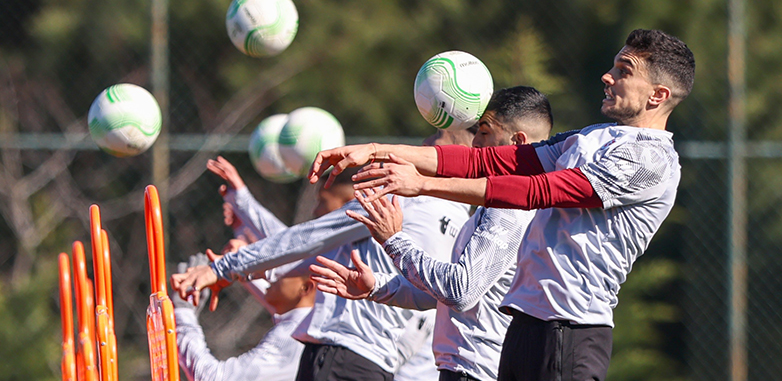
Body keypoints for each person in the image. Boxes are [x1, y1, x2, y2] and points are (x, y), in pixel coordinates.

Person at [308, 29, 696, 380]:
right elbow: (487, 162)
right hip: (526, 327)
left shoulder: (650, 160)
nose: (607, 76)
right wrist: (376, 150)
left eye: (624, 70)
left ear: (658, 95)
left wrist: (421, 185)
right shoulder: (592, 137)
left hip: (571, 333)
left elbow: (535, 191)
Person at [171, 129, 474, 381]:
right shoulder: (465, 227)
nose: (424, 142)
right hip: (376, 369)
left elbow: (306, 239)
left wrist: (224, 268)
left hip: (340, 358)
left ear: (460, 152)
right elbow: (303, 251)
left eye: (438, 135)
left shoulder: (399, 198)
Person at [310, 87, 553, 381]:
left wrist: (394, 241)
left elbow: (460, 291)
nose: (474, 143)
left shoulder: (512, 209)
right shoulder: (501, 205)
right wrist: (377, 286)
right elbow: (439, 297)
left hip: (476, 373)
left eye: (484, 133)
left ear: (519, 142)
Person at [208, 156, 438, 381]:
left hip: (348, 361)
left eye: (322, 200)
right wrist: (242, 227)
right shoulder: (404, 246)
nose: (316, 211)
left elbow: (295, 246)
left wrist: (244, 210)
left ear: (351, 200)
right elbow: (290, 252)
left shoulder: (365, 250)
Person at [173, 253, 316, 381]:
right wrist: (232, 266)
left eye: (282, 269)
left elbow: (215, 378)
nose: (270, 273)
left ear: (305, 288)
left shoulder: (294, 335)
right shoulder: (307, 327)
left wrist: (182, 313)